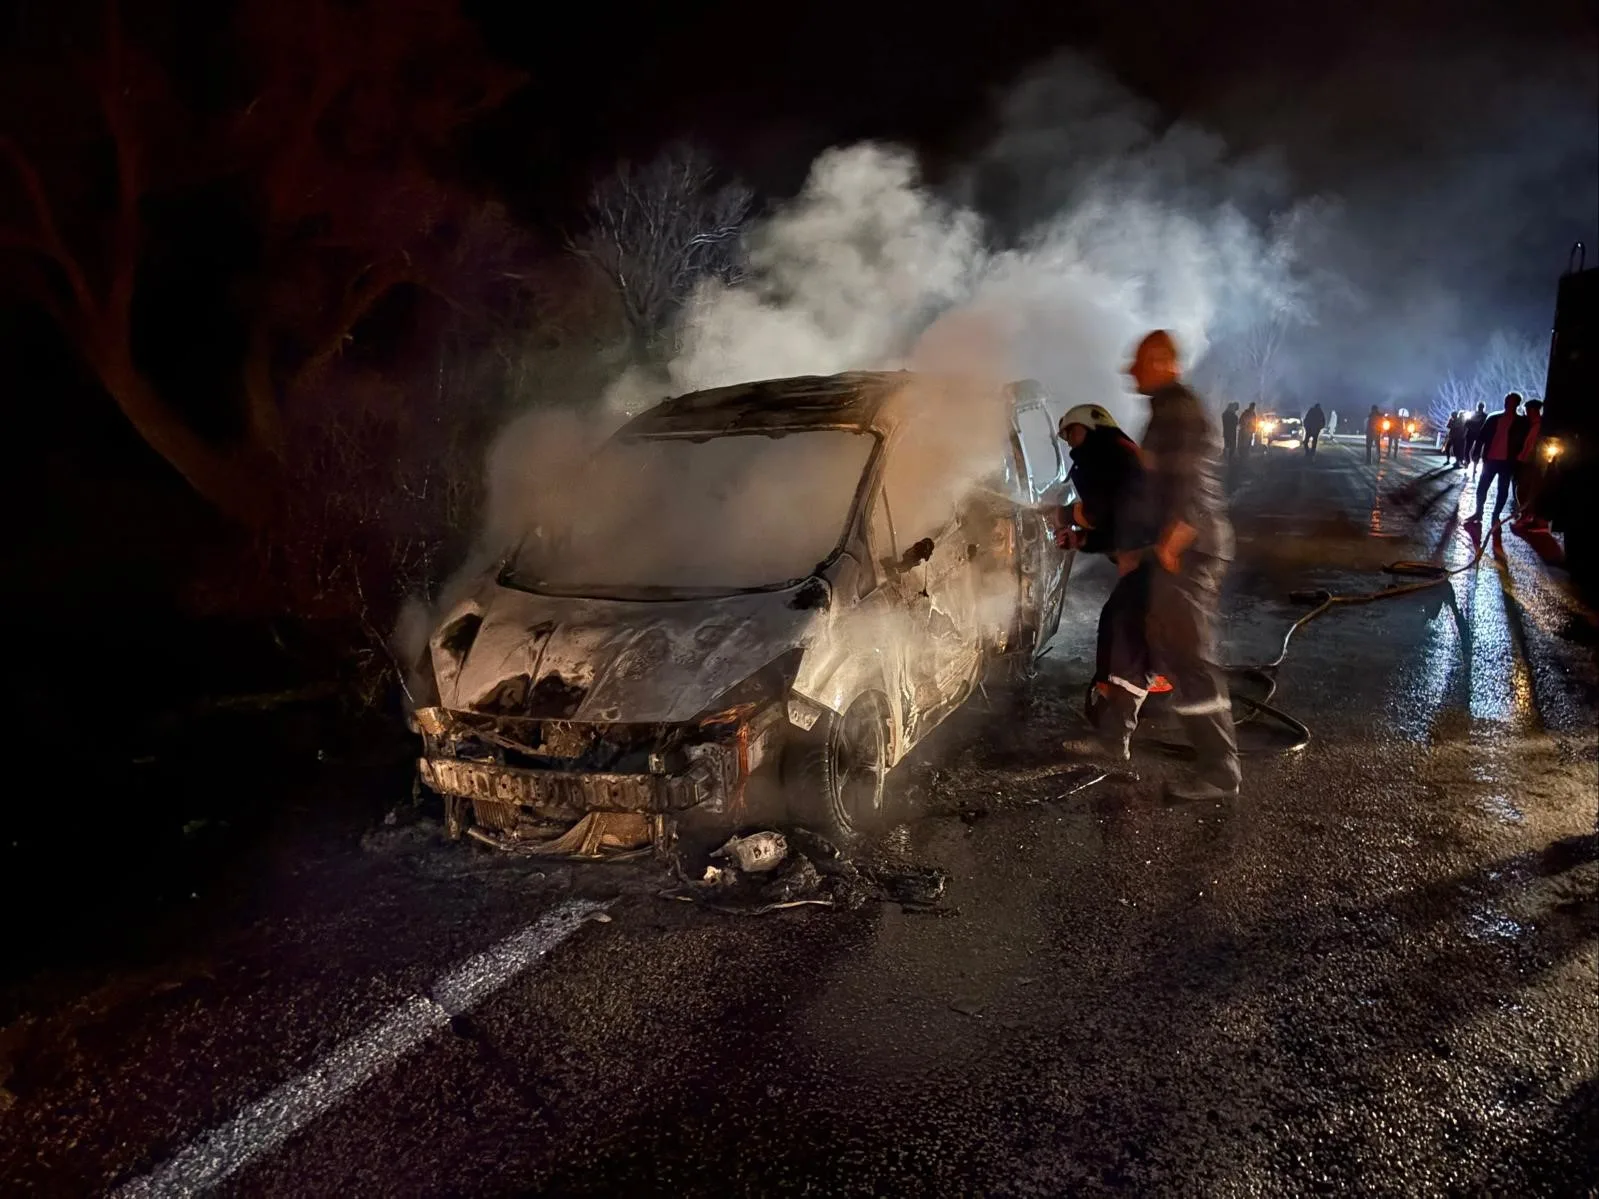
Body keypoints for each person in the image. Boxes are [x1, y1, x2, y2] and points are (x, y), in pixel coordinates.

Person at [1120, 330, 1241, 802]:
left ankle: (1220, 771)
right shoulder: (1165, 407)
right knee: (1176, 650)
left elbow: (1194, 475)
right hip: (1180, 548)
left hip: (1192, 550)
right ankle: (1213, 763)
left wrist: (1176, 537)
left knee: (1192, 659)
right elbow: (1158, 484)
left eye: (1140, 362)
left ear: (1165, 363)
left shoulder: (1178, 407)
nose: (1131, 370)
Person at [1052, 404, 1168, 761]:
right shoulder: (1118, 455)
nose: (1069, 442)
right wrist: (1079, 540)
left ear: (1092, 425)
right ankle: (1151, 701)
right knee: (1126, 627)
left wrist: (1064, 514)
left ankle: (1115, 739)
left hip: (1156, 560)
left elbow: (1103, 513)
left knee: (1126, 638)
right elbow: (1112, 528)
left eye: (1072, 432)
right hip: (1153, 559)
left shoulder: (1109, 456)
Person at [1466, 392, 1530, 530]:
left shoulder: (1521, 422)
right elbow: (1481, 437)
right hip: (1491, 459)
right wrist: (1477, 452)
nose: (1509, 405)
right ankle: (1478, 512)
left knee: (1503, 490)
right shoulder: (1494, 418)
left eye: (1513, 402)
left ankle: (1496, 515)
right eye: (1508, 401)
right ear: (1505, 402)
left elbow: (1525, 442)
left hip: (1508, 461)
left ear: (1517, 404)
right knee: (1482, 487)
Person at [1512, 399, 1547, 532]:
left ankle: (1529, 516)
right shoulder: (1531, 425)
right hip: (1525, 461)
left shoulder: (1541, 426)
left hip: (1534, 463)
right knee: (1521, 489)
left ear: (1533, 411)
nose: (1526, 413)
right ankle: (1526, 515)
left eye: (1528, 411)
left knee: (1527, 490)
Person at [1464, 402, 1488, 474]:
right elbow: (1486, 426)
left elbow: (1466, 424)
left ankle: (1467, 462)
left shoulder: (1473, 414)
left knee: (1467, 449)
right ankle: (1474, 468)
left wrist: (1469, 429)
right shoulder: (1485, 416)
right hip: (1480, 435)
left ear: (1478, 407)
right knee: (1477, 451)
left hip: (1471, 434)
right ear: (1483, 407)